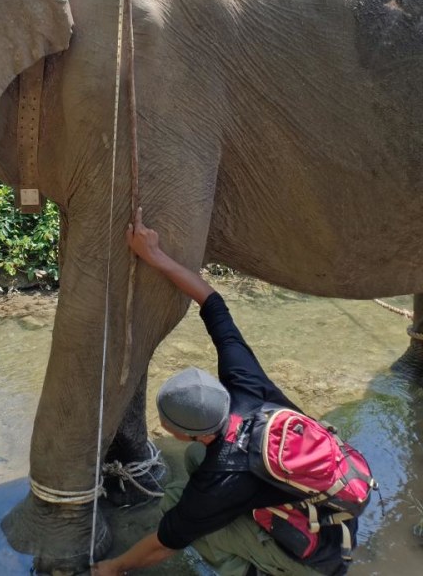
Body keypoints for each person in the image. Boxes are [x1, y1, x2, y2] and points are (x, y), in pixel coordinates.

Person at [91, 209, 353, 576]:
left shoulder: (222, 475)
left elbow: (166, 542)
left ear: (182, 432)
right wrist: (156, 255)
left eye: (166, 423)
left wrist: (114, 568)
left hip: (317, 557)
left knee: (188, 521)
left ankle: (252, 570)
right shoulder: (244, 382)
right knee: (197, 460)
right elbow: (213, 303)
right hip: (334, 500)